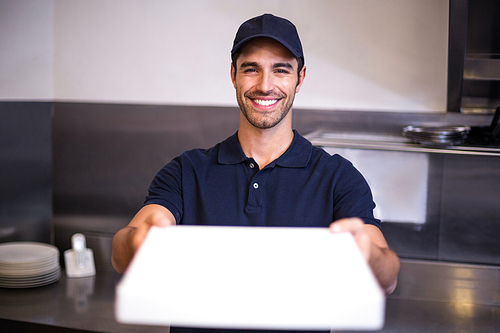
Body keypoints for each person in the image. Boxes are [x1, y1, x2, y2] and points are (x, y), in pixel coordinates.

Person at [112, 13, 400, 301]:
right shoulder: (186, 171)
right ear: (233, 75)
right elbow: (123, 253)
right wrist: (138, 241)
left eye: (281, 70)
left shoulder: (338, 178)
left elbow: (387, 280)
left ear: (300, 78)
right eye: (251, 69)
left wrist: (367, 255)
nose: (265, 85)